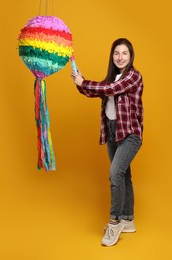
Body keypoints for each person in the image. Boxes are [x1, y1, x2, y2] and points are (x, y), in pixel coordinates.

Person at [71, 38, 144, 247]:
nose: (120, 57)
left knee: (115, 174)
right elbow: (97, 90)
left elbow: (110, 89)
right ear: (112, 56)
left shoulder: (133, 76)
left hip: (130, 133)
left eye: (124, 53)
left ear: (130, 57)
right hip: (113, 132)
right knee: (124, 175)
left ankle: (114, 222)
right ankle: (128, 219)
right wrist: (80, 81)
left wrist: (84, 83)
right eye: (116, 53)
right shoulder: (112, 78)